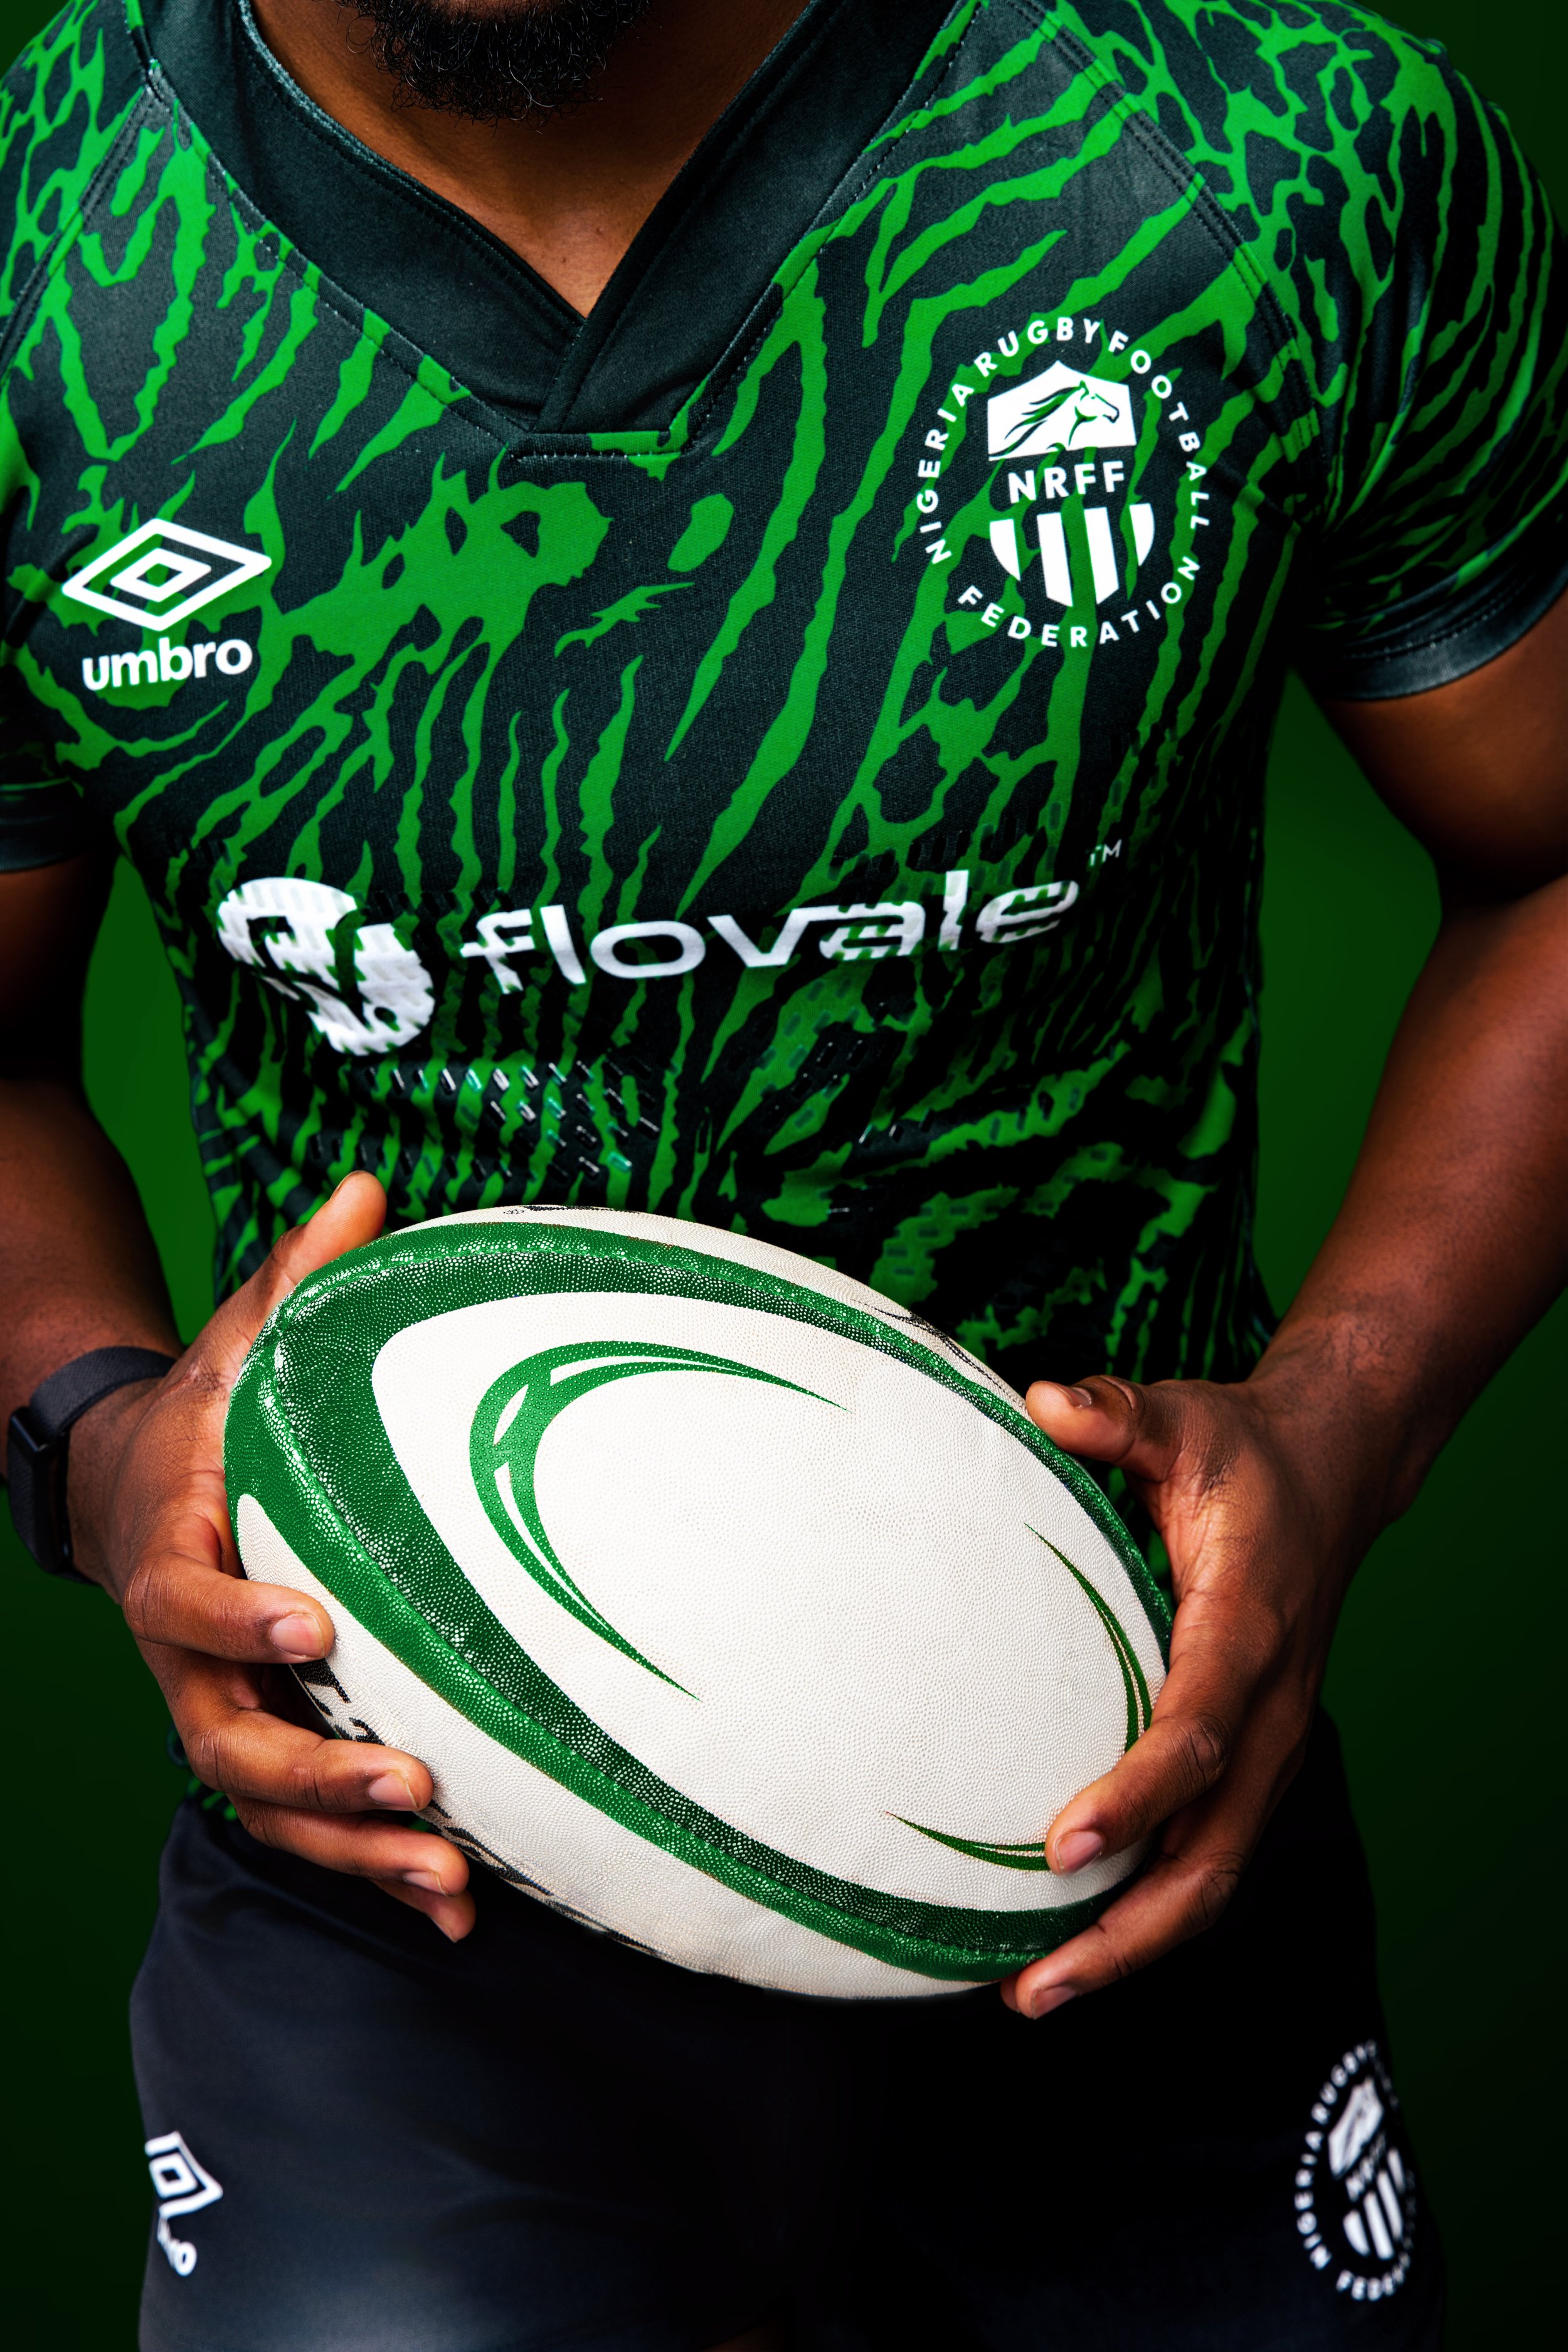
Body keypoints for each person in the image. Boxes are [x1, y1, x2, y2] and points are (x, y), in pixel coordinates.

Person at [1, 0, 1564, 2343]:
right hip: (394, 1848)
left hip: (1117, 1794)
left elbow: (1550, 857)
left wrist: (1338, 1430)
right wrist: (102, 1447)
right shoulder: (44, 264)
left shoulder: (1260, 147)